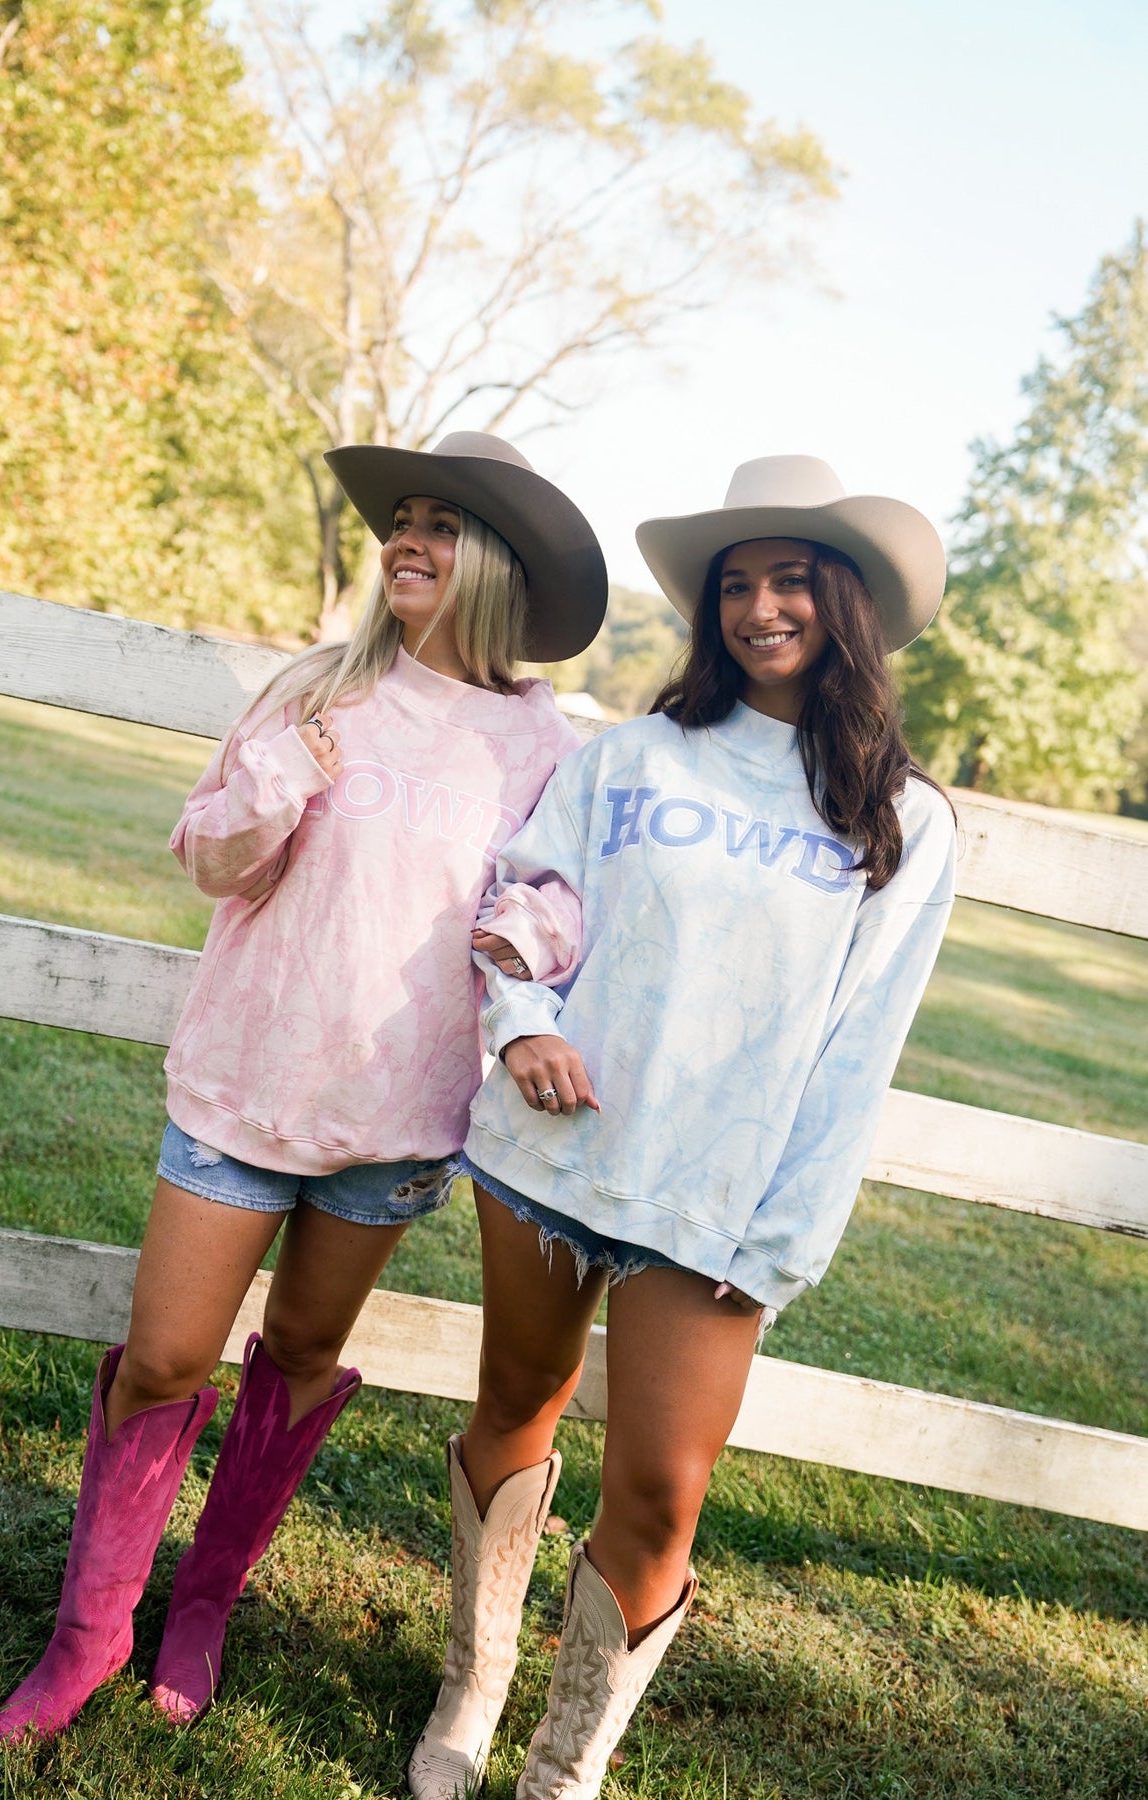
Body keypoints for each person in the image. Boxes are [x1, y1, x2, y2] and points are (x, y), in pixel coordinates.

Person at [0, 432, 608, 1751]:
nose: (405, 539)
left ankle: (203, 1605)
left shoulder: (544, 745)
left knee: (306, 1354)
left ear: (498, 564)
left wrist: (524, 935)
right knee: (165, 1357)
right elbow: (212, 859)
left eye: (442, 524)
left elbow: (562, 905)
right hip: (245, 1086)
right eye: (402, 518)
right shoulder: (319, 690)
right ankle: (90, 1636)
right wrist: (283, 775)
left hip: (396, 1121)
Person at [407, 455, 956, 1800]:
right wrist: (521, 1023)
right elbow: (526, 896)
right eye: (736, 585)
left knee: (658, 1492)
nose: (761, 608)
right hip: (552, 1154)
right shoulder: (634, 756)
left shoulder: (901, 819)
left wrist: (783, 1238)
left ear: (844, 602)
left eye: (791, 581)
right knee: (514, 1408)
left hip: (713, 1205)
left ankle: (565, 1763)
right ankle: (473, 1688)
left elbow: (859, 1049)